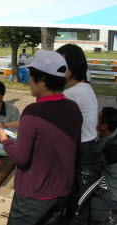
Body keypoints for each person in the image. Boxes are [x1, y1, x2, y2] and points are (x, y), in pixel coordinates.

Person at [0, 49, 83, 225]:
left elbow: (20, 158)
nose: (28, 81)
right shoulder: (73, 108)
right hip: (61, 191)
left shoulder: (33, 112)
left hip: (33, 195)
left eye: (30, 76)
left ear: (42, 81)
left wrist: (4, 139)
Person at [57, 44, 104, 225]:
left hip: (83, 157)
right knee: (79, 209)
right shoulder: (85, 87)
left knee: (77, 212)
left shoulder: (71, 93)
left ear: (73, 65)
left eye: (62, 63)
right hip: (87, 152)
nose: (58, 68)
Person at [91, 107, 117, 224]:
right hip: (109, 189)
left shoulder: (111, 149)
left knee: (80, 205)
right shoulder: (109, 137)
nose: (93, 120)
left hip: (111, 198)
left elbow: (90, 168)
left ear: (104, 126)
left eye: (97, 118)